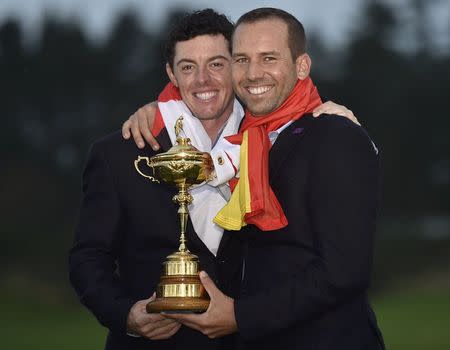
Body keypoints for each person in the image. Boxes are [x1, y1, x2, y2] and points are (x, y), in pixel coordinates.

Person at [154, 8, 385, 350]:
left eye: (269, 58)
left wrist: (240, 315)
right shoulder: (248, 141)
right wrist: (151, 113)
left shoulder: (336, 135)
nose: (253, 73)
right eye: (242, 59)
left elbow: (344, 272)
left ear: (302, 66)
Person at [69, 10, 244, 350]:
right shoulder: (117, 154)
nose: (203, 79)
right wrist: (126, 315)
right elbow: (87, 259)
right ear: (171, 74)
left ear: (237, 66)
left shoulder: (271, 144)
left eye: (217, 64)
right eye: (188, 67)